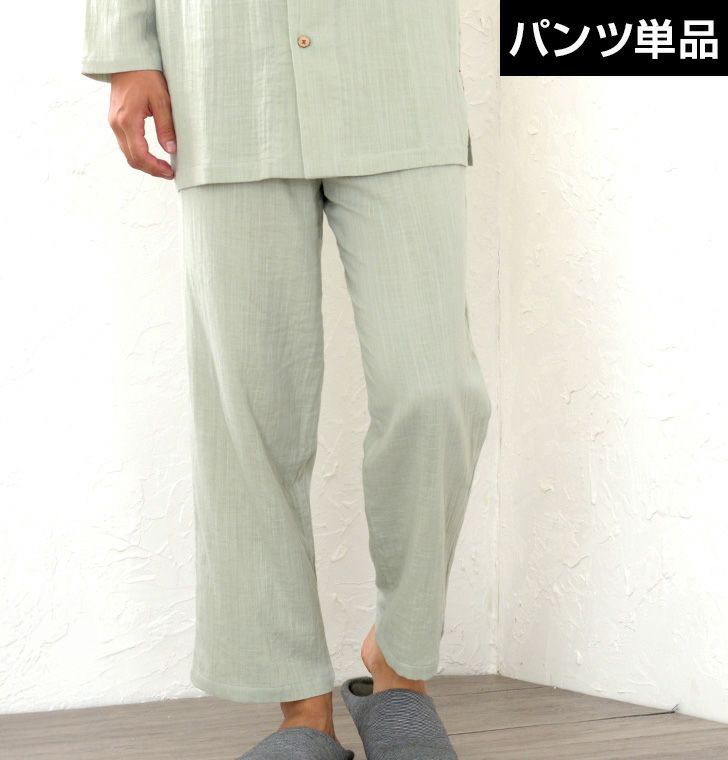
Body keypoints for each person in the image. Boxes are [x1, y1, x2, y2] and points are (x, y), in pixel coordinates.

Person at [81, 1, 492, 757]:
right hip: (228, 73)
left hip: (396, 73)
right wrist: (123, 49)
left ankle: (399, 669)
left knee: (435, 392)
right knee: (249, 411)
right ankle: (301, 712)